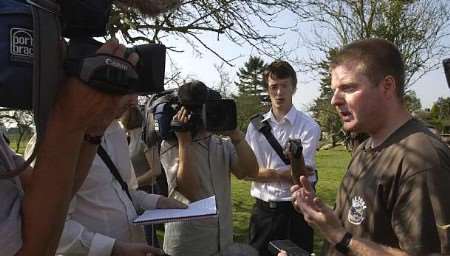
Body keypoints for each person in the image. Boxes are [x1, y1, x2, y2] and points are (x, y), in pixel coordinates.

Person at [288, 38, 450, 256]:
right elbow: (360, 226)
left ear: (387, 86)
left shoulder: (421, 159)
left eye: (348, 88)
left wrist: (340, 237)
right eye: (334, 90)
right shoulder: (364, 148)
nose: (334, 100)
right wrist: (323, 217)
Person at [0, 40, 141, 256]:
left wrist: (94, 129)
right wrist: (69, 115)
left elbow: (58, 192)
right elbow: (33, 249)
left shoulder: (112, 133)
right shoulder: (50, 137)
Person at [159, 81, 259, 256]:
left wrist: (236, 136)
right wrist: (184, 142)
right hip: (188, 244)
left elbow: (250, 172)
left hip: (222, 242)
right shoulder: (171, 144)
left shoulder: (221, 143)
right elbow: (191, 191)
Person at [245, 60, 321, 255]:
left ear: (293, 87)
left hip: (295, 213)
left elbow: (300, 176)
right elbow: (246, 172)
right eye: (274, 87)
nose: (279, 93)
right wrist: (282, 173)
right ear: (267, 89)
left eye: (284, 86)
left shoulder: (309, 127)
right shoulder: (254, 128)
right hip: (262, 213)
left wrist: (263, 173)